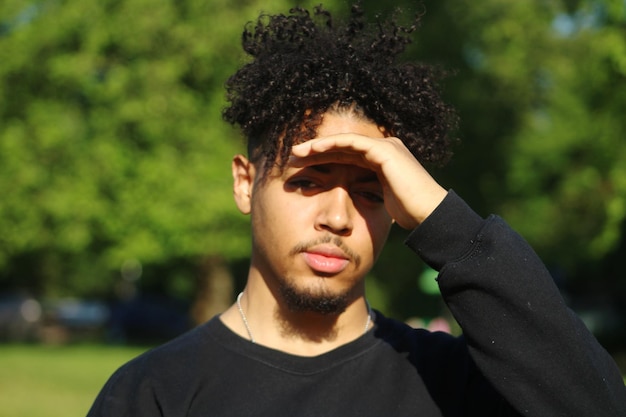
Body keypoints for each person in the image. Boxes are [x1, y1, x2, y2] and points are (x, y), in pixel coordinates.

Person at [87, 5, 626, 416]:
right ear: (245, 183)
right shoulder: (154, 393)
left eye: (372, 192)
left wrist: (450, 228)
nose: (338, 218)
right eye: (308, 182)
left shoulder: (451, 383)